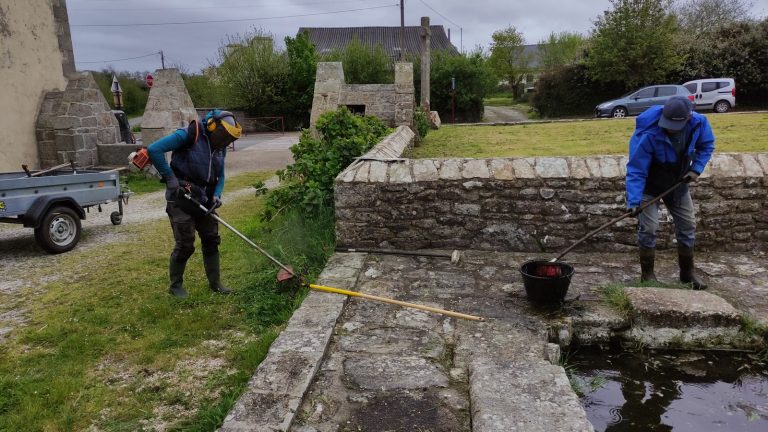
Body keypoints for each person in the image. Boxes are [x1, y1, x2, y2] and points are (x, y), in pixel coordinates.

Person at [148, 110, 242, 298]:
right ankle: (175, 286)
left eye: (229, 139)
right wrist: (170, 177)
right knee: (185, 244)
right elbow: (154, 149)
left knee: (211, 239)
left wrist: (216, 194)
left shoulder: (220, 146)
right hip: (182, 198)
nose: (225, 142)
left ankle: (215, 283)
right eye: (224, 136)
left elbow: (221, 174)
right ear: (213, 126)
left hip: (205, 200)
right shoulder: (190, 133)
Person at [625, 96, 715, 290]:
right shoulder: (648, 132)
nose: (670, 129)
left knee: (688, 225)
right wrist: (634, 201)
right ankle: (647, 275)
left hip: (678, 182)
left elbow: (707, 145)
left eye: (675, 126)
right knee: (649, 228)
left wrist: (696, 169)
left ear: (688, 118)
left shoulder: (698, 123)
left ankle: (687, 273)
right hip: (649, 185)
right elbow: (636, 169)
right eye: (667, 124)